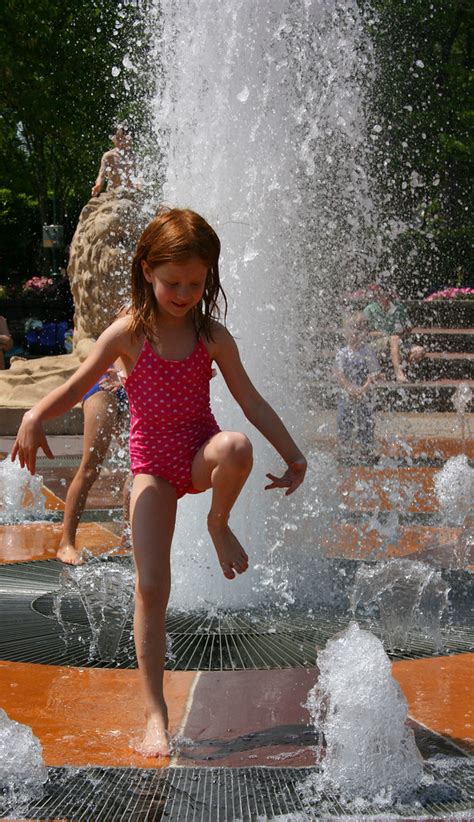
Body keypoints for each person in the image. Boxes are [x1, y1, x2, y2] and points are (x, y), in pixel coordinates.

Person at [12, 207, 307, 758]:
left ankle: (219, 523)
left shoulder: (211, 335)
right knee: (151, 587)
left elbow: (251, 400)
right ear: (147, 270)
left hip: (199, 456)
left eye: (196, 284)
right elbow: (77, 386)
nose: (184, 293)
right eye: (174, 282)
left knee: (237, 446)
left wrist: (292, 454)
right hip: (152, 470)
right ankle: (156, 714)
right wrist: (32, 417)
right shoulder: (127, 333)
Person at [57, 366, 130, 565]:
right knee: (90, 468)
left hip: (136, 385)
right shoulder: (128, 332)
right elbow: (120, 342)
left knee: (139, 467)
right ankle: (66, 543)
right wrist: (121, 371)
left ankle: (129, 537)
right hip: (106, 386)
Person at [334, 313, 381, 463]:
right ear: (345, 332)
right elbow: (340, 375)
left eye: (359, 330)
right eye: (351, 330)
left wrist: (363, 389)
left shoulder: (368, 351)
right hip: (346, 392)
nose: (355, 334)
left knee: (366, 419)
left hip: (364, 392)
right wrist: (350, 389)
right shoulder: (342, 353)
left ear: (365, 333)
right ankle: (345, 449)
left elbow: (373, 374)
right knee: (343, 419)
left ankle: (366, 449)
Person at [363, 283, 425, 382]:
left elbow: (408, 327)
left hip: (398, 342)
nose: (379, 296)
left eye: (382, 294)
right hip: (377, 344)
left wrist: (404, 331)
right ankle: (398, 372)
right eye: (377, 294)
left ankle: (403, 371)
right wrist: (385, 335)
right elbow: (365, 333)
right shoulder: (369, 310)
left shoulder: (399, 307)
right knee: (393, 338)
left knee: (419, 351)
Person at [91, 125, 138, 197]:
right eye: (118, 138)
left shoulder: (135, 158)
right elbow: (101, 175)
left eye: (123, 138)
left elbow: (139, 178)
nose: (120, 141)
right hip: (112, 194)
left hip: (130, 194)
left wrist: (139, 186)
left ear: (130, 139)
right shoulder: (109, 156)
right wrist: (98, 185)